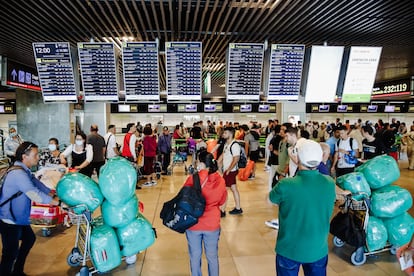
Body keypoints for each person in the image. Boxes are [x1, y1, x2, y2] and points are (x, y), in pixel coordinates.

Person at [269, 139, 336, 276]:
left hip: (289, 249)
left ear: (297, 157)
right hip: (318, 248)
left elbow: (270, 199)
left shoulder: (286, 185)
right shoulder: (329, 183)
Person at [0, 142, 61, 275]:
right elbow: (33, 193)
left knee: (29, 239)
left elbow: (37, 183)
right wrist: (56, 203)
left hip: (19, 218)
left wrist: (53, 193)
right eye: (35, 155)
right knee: (10, 253)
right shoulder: (18, 174)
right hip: (9, 220)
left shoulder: (25, 171)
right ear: (24, 156)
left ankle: (17, 271)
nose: (38, 157)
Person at [184, 151, 227, 276]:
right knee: (212, 256)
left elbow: (184, 199)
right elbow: (222, 201)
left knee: (195, 256)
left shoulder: (193, 179)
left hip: (194, 223)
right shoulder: (220, 180)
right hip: (212, 223)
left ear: (201, 163)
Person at [217, 127, 242, 216]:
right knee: (234, 188)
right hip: (227, 170)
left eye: (225, 133)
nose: (223, 134)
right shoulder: (227, 144)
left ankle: (222, 211)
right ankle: (238, 208)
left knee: (224, 190)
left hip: (230, 171)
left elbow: (236, 159)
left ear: (230, 134)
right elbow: (223, 154)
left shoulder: (234, 145)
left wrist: (229, 170)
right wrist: (218, 163)